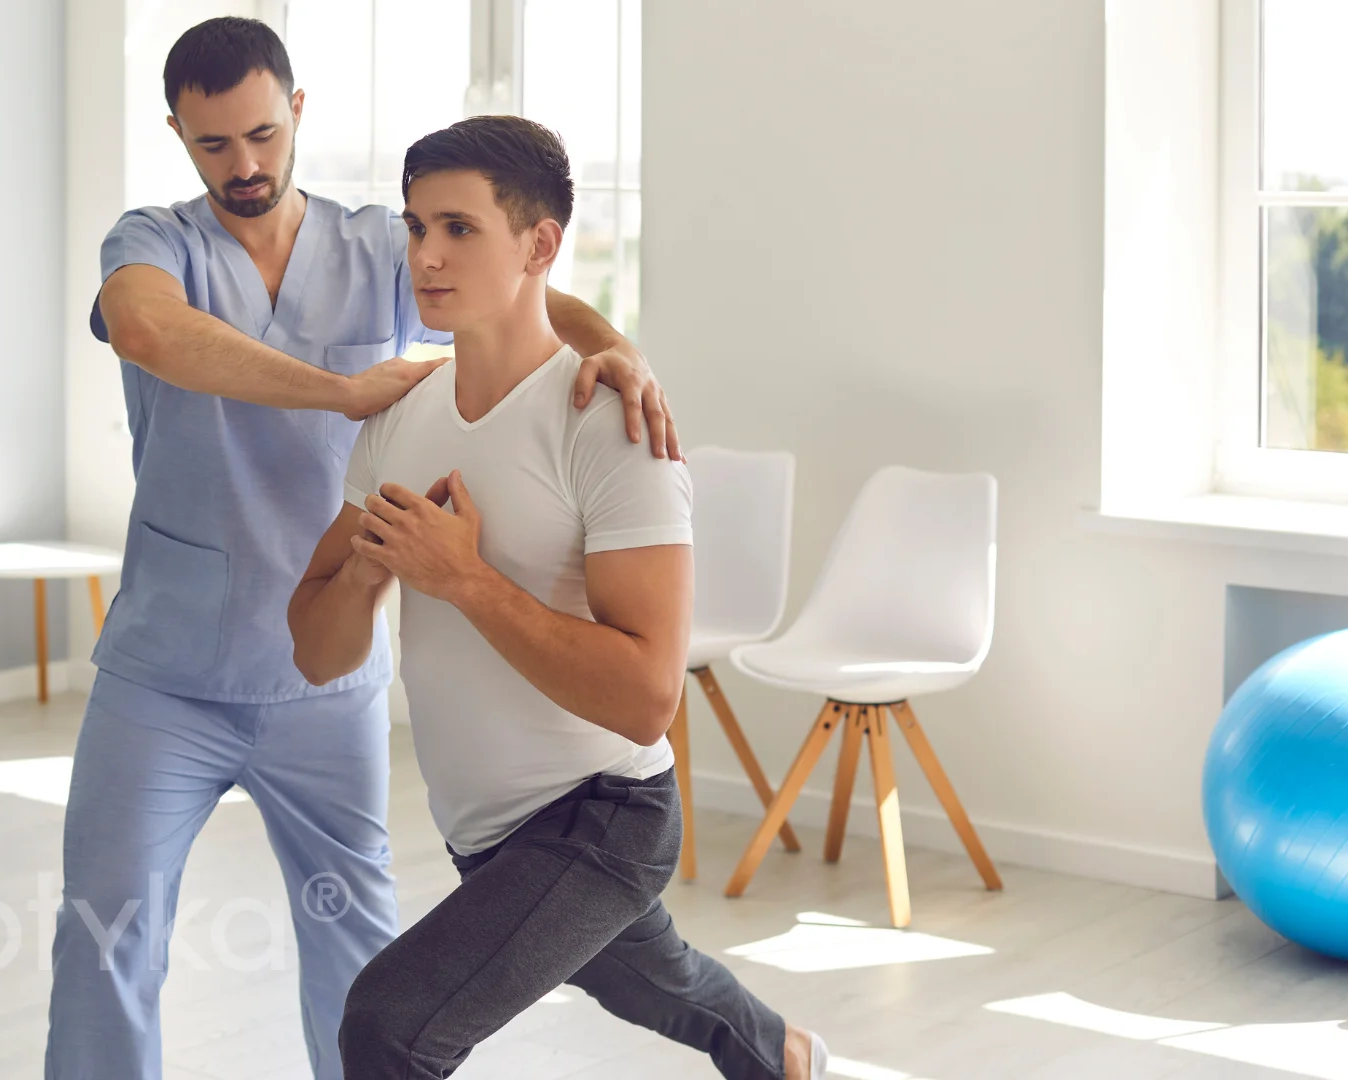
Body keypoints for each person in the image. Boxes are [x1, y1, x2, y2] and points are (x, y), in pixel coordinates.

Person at [46, 18, 679, 1080]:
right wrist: (340, 389)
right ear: (176, 135)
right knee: (107, 935)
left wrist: (619, 351)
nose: (243, 166)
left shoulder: (377, 243)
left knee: (356, 948)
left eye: (260, 134)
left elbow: (528, 288)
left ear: (298, 110)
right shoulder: (154, 241)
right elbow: (150, 331)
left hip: (324, 685)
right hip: (165, 677)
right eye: (213, 147)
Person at [288, 116, 828, 1080]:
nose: (427, 255)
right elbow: (317, 650)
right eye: (416, 229)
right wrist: (375, 566)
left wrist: (463, 579)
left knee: (389, 1025)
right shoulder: (400, 419)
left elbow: (647, 696)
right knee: (660, 982)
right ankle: (781, 1056)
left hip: (603, 813)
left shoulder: (611, 425)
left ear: (540, 245)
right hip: (483, 831)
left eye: (458, 228)